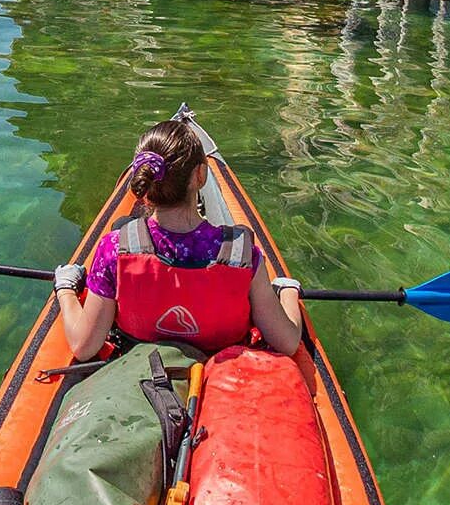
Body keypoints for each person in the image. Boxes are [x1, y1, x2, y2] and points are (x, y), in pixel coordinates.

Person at [53, 119, 305, 361]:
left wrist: (65, 289)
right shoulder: (243, 253)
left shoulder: (112, 249)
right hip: (222, 375)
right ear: (200, 175)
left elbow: (84, 347)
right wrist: (288, 291)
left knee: (121, 227)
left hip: (142, 368)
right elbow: (288, 342)